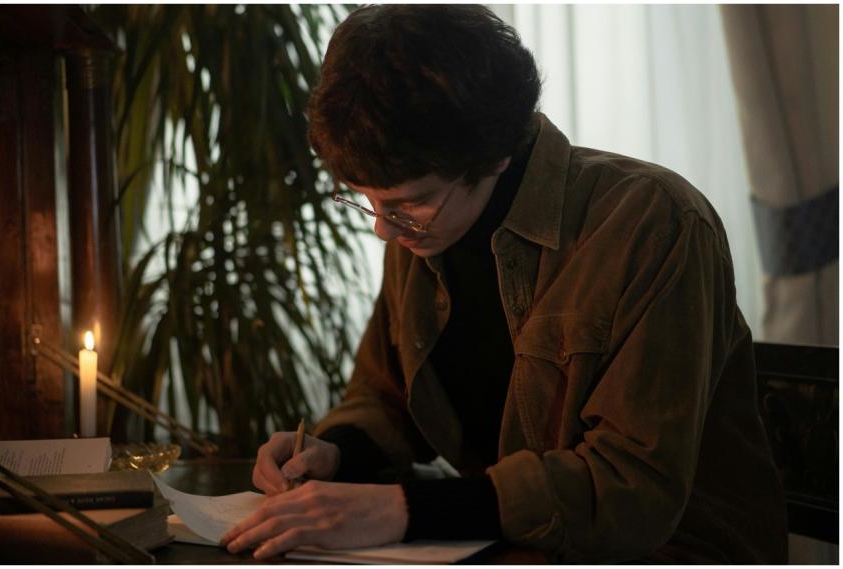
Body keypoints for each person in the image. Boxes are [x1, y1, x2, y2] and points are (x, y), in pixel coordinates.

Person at [221, 5, 787, 563]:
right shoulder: (424, 230)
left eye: (408, 203)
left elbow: (630, 486)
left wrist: (406, 510)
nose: (381, 228)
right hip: (508, 543)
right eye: (366, 199)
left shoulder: (651, 222)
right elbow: (384, 396)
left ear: (495, 154)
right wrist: (334, 453)